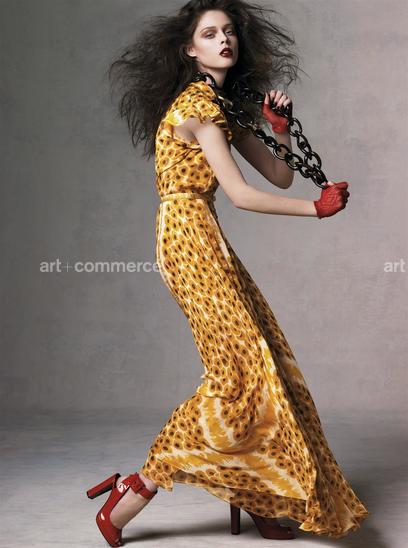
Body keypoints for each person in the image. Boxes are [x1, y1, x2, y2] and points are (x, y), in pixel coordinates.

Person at [86, 1, 369, 545]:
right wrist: (316, 210)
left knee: (259, 365)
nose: (224, 40)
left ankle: (256, 492)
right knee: (233, 377)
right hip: (188, 238)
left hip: (203, 236)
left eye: (229, 31)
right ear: (189, 50)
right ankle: (136, 488)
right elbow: (240, 194)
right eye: (210, 34)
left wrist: (279, 131)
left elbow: (279, 176)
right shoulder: (196, 106)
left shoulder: (222, 105)